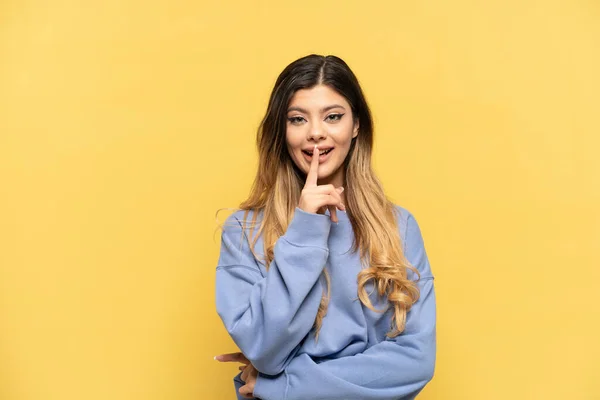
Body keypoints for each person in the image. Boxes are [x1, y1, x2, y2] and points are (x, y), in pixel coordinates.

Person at [214, 54, 436, 400]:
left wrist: (285, 385)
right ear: (281, 131)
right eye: (298, 119)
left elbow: (415, 361)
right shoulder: (244, 231)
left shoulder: (399, 227)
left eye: (333, 117)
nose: (316, 133)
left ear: (356, 125)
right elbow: (264, 349)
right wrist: (305, 228)